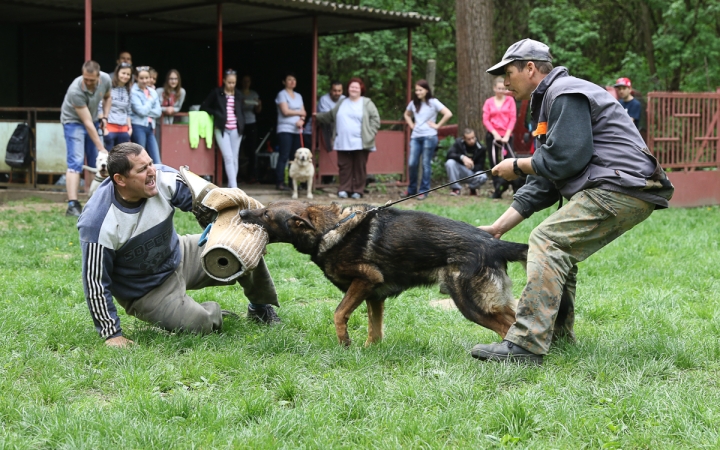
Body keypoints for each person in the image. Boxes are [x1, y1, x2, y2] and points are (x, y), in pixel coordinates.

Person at [471, 38, 674, 365]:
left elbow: (565, 160)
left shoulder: (563, 93)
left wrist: (517, 164)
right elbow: (547, 181)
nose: (505, 83)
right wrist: (497, 227)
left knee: (548, 242)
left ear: (531, 68)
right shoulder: (551, 100)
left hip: (619, 186)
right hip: (630, 188)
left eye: (509, 73)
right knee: (559, 250)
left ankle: (525, 344)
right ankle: (557, 336)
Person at [77, 142, 280, 348]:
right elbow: (94, 281)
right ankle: (201, 313)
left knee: (240, 246)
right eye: (142, 169)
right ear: (120, 179)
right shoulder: (98, 221)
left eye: (150, 163)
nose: (152, 172)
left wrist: (224, 219)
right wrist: (111, 334)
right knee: (199, 325)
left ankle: (259, 308)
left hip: (179, 253)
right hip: (146, 290)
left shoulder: (162, 177)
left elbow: (208, 200)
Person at [60, 60, 112, 217]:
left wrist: (105, 117)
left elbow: (108, 97)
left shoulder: (106, 79)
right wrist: (102, 148)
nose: (88, 81)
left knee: (94, 160)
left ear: (98, 76)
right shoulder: (76, 90)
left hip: (94, 119)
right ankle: (72, 204)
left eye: (91, 79)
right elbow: (87, 123)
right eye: (85, 78)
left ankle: (96, 201)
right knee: (76, 161)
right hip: (73, 122)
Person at [315, 77, 380, 199]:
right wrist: (316, 116)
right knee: (344, 166)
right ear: (348, 88)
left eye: (356, 87)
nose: (354, 89)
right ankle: (344, 189)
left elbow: (375, 119)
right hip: (343, 140)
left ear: (361, 89)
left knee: (359, 166)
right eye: (351, 87)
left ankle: (357, 190)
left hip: (361, 141)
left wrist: (370, 133)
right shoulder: (342, 102)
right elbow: (330, 116)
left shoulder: (366, 103)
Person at [403, 80, 453, 200]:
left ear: (426, 90)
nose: (418, 92)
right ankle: (411, 190)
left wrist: (437, 125)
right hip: (416, 136)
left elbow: (448, 113)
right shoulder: (413, 103)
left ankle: (423, 191)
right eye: (416, 90)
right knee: (412, 163)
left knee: (426, 163)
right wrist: (411, 125)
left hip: (429, 136)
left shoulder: (433, 102)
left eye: (420, 90)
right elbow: (407, 114)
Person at [201, 69, 245, 188]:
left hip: (236, 128)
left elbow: (241, 111)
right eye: (229, 82)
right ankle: (234, 188)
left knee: (234, 158)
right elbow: (204, 106)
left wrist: (242, 123)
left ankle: (232, 186)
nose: (231, 85)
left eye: (234, 83)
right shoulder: (217, 93)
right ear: (224, 81)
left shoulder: (238, 94)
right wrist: (216, 113)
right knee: (228, 157)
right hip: (221, 128)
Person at [483, 76, 518, 199]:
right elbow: (486, 119)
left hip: (507, 136)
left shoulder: (510, 100)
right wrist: (495, 134)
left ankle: (516, 188)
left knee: (511, 161)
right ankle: (497, 189)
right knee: (494, 162)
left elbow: (513, 118)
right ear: (494, 88)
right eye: (499, 88)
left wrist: (507, 135)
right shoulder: (489, 102)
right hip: (493, 136)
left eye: (503, 88)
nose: (501, 90)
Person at [275, 73, 306, 191]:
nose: (292, 81)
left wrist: (302, 120)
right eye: (289, 79)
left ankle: (293, 183)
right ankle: (280, 182)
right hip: (285, 129)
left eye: (294, 79)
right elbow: (285, 111)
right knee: (284, 156)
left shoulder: (298, 95)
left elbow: (304, 112)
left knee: (295, 156)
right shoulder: (281, 94)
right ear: (284, 82)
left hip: (297, 130)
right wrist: (299, 113)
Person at [130, 66, 162, 163]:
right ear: (136, 78)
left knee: (156, 160)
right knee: (141, 157)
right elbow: (141, 111)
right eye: (141, 78)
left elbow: (158, 112)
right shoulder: (133, 91)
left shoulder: (152, 91)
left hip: (150, 127)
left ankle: (158, 178)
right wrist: (151, 100)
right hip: (138, 127)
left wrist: (145, 109)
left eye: (147, 78)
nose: (144, 81)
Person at [444, 128, 488, 196]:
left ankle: (472, 188)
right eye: (469, 139)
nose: (472, 141)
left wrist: (471, 166)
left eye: (473, 138)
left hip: (472, 172)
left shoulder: (481, 148)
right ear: (464, 139)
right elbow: (449, 154)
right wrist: (462, 158)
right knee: (450, 162)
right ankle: (456, 189)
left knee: (483, 176)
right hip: (459, 171)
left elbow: (480, 166)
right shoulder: (458, 143)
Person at [101, 63, 133, 150]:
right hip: (110, 127)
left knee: (121, 159)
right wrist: (104, 129)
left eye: (128, 74)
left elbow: (128, 111)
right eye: (123, 73)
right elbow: (101, 106)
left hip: (124, 129)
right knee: (108, 158)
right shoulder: (109, 87)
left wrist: (130, 129)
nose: (125, 76)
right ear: (117, 73)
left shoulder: (129, 90)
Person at [240, 75, 261, 183]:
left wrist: (258, 104)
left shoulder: (254, 94)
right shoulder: (238, 93)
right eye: (244, 81)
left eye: (248, 81)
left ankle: (252, 175)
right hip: (240, 123)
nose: (246, 83)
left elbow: (258, 110)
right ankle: (239, 175)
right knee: (239, 150)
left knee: (252, 150)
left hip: (251, 122)